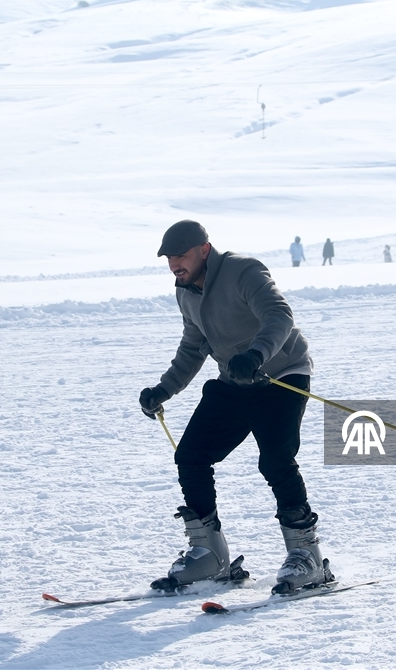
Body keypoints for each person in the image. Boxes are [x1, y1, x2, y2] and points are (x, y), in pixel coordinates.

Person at [139, 220, 333, 595]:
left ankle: (306, 557)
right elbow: (193, 347)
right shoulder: (185, 291)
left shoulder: (244, 270)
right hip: (234, 380)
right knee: (191, 455)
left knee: (275, 460)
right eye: (169, 258)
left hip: (281, 375)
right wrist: (164, 390)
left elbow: (279, 315)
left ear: (204, 250)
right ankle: (209, 554)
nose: (175, 264)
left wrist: (256, 354)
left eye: (181, 255)